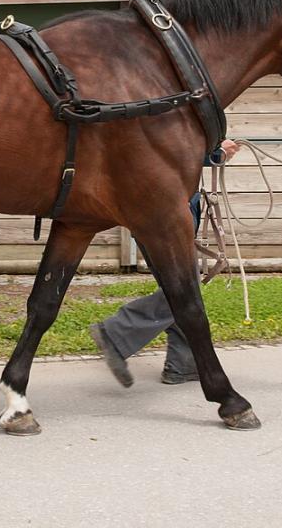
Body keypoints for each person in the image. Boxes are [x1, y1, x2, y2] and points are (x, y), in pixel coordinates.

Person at [89, 139, 239, 387]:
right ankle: (116, 334)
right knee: (184, 291)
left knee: (181, 288)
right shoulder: (158, 116)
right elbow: (164, 149)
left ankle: (183, 363)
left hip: (156, 211)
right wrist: (215, 154)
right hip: (163, 214)